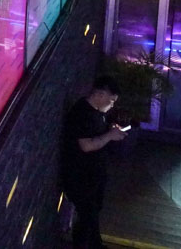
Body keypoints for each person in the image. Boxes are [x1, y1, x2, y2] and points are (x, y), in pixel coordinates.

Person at [60, 75, 127, 249]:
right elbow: (86, 145)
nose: (112, 105)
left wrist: (110, 131)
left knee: (92, 214)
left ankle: (96, 245)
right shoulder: (81, 113)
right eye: (111, 101)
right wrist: (110, 135)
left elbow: (97, 137)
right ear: (100, 94)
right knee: (87, 217)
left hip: (93, 176)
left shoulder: (97, 113)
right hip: (80, 178)